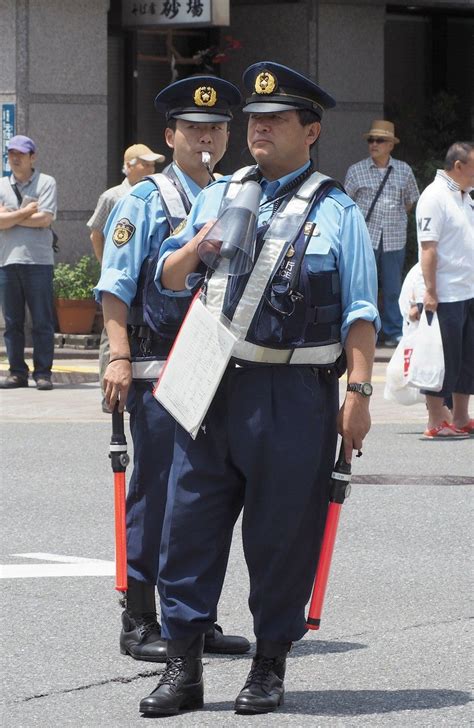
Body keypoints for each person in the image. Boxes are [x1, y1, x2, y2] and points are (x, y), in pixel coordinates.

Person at [136, 61, 380, 717]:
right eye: (255, 120)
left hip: (292, 391)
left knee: (281, 537)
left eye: (275, 120)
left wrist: (357, 393)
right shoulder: (221, 194)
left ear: (312, 130)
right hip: (208, 380)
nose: (260, 129)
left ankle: (268, 666)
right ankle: (183, 670)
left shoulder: (337, 212)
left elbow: (361, 311)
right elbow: (167, 272)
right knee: (186, 528)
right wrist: (200, 247)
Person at [94, 75, 250, 663]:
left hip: (217, 367)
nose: (205, 137)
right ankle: (138, 619)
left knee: (207, 499)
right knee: (156, 494)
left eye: (214, 128)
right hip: (157, 366)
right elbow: (115, 287)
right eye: (192, 128)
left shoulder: (235, 194)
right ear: (171, 135)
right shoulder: (145, 199)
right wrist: (118, 357)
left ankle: (194, 615)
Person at [87, 144, 166, 413]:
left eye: (154, 164)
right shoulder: (115, 196)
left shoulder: (160, 193)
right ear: (130, 165)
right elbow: (96, 234)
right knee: (112, 339)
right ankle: (108, 393)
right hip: (119, 281)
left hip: (141, 283)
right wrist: (106, 267)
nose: (152, 168)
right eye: (146, 163)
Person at [416, 141, 474, 440]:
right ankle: (436, 418)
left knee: (467, 357)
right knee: (443, 359)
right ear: (459, 166)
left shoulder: (465, 197)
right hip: (445, 293)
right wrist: (429, 291)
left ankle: (462, 416)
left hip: (468, 290)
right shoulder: (434, 196)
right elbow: (428, 248)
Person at [344, 120, 419, 346]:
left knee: (393, 287)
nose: (374, 144)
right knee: (364, 286)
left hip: (394, 238)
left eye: (380, 140)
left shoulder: (404, 170)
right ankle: (366, 330)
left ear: (390, 146)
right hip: (366, 237)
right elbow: (347, 202)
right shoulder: (356, 170)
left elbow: (409, 201)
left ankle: (394, 330)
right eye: (371, 140)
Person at [0, 135, 57, 390]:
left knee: (42, 321)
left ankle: (43, 373)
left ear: (32, 156)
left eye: (21, 154)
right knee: (12, 323)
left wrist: (9, 217)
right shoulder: (2, 184)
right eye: (11, 153)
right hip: (6, 261)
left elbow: (45, 219)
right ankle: (17, 373)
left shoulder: (46, 182)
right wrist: (25, 212)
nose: (15, 158)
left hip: (39, 262)